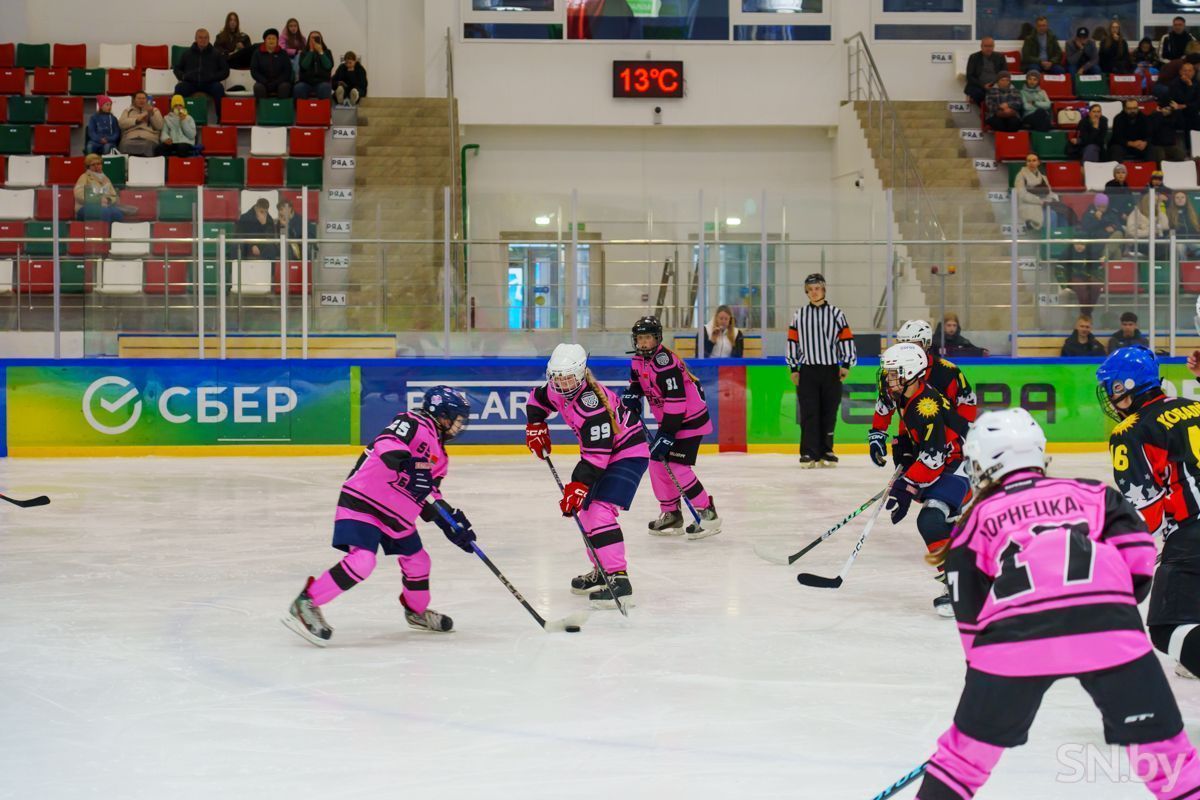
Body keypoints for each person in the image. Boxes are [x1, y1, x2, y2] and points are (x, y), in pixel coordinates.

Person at [912, 406, 1200, 800]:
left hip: (1013, 644)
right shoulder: (1094, 494)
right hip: (1109, 629)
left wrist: (984, 700)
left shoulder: (973, 523)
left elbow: (972, 622)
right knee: (1168, 761)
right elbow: (1139, 557)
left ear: (980, 464)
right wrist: (1112, 606)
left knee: (961, 764)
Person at [282, 386, 476, 645]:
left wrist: (449, 522)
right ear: (441, 413)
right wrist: (408, 464)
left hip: (397, 514)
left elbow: (428, 494)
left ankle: (416, 612)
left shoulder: (440, 457)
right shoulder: (413, 422)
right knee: (363, 561)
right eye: (457, 418)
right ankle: (306, 603)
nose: (460, 425)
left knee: (419, 561)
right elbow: (386, 444)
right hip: (365, 501)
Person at [525, 344, 648, 608]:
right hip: (603, 456)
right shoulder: (556, 390)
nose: (562, 383)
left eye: (568, 378)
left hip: (627, 453)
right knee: (587, 513)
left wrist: (577, 486)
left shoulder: (592, 405)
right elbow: (536, 400)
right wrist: (536, 425)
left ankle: (619, 580)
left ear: (581, 374)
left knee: (600, 511)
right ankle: (602, 570)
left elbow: (596, 456)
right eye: (556, 377)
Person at [1103, 346, 1200, 679]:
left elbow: (1149, 517)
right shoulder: (1194, 405)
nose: (1110, 395)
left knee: (1166, 627)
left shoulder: (1130, 430)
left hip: (1193, 534)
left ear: (1126, 386)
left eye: (1112, 387)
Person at [878, 342, 970, 617]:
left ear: (910, 373)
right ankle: (966, 576)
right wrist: (905, 448)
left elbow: (933, 458)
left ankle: (959, 587)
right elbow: (911, 432)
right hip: (950, 463)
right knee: (942, 524)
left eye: (894, 373)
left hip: (963, 465)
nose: (888, 378)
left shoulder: (925, 406)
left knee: (931, 520)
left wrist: (905, 486)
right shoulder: (907, 395)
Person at [621, 316, 722, 538]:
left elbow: (677, 402)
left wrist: (666, 435)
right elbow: (638, 383)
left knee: (677, 466)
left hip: (689, 420)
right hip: (670, 421)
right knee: (657, 463)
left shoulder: (665, 363)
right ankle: (671, 513)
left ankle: (708, 513)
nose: (643, 342)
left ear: (657, 338)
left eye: (648, 337)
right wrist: (632, 395)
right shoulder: (637, 360)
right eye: (640, 338)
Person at [869, 318, 977, 476]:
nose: (907, 349)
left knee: (942, 485)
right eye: (903, 343)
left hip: (942, 438)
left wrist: (959, 437)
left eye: (914, 344)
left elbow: (967, 402)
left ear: (926, 344)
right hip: (909, 436)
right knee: (907, 483)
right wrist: (877, 434)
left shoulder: (947, 371)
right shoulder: (891, 371)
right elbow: (885, 404)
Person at [786, 273, 856, 468]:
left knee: (829, 412)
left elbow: (846, 339)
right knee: (809, 413)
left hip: (831, 370)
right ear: (806, 292)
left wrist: (846, 364)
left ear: (823, 289)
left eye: (817, 288)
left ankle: (826, 450)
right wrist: (794, 367)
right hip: (808, 370)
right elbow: (792, 342)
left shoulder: (836, 314)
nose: (814, 292)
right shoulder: (799, 315)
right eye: (810, 289)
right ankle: (809, 452)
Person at [174, 28, 229, 118]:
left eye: (206, 37)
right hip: (191, 83)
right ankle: (180, 117)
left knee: (219, 88)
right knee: (179, 88)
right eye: (200, 37)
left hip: (210, 83)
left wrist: (214, 77)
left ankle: (221, 118)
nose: (203, 40)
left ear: (209, 39)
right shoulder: (187, 54)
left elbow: (225, 71)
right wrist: (183, 76)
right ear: (195, 39)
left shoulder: (216, 54)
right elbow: (177, 68)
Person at [1013, 153, 1057, 232]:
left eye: (1034, 160)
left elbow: (1050, 192)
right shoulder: (1020, 176)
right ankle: (1049, 237)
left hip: (1044, 203)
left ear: (1038, 162)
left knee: (1061, 213)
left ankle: (1059, 236)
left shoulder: (1043, 177)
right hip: (1028, 205)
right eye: (1029, 161)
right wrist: (1040, 201)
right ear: (1026, 163)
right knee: (1052, 214)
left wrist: (1052, 199)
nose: (1031, 163)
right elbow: (1022, 195)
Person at [73, 153, 123, 222]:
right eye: (93, 165)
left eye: (98, 164)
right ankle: (103, 229)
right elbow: (78, 194)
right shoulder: (84, 177)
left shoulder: (106, 179)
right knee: (104, 212)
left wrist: (108, 200)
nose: (96, 166)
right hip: (85, 207)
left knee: (117, 214)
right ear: (88, 167)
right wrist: (98, 201)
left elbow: (114, 195)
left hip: (105, 206)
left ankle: (110, 229)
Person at [1079, 193, 1124, 261]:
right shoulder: (1088, 214)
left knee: (1119, 234)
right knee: (1116, 251)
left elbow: (1119, 227)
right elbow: (1086, 229)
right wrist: (1098, 220)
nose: (1101, 209)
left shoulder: (1111, 212)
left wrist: (1113, 228)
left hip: (1110, 240)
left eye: (1104, 207)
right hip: (1097, 242)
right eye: (1098, 207)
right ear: (1095, 205)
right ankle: (1105, 258)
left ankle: (1105, 258)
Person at [117, 91, 163, 157]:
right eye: (139, 98)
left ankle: (147, 163)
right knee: (125, 145)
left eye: (143, 98)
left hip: (148, 138)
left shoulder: (154, 110)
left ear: (147, 100)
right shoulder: (128, 110)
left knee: (148, 146)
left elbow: (159, 126)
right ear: (134, 100)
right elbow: (121, 124)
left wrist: (152, 114)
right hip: (130, 138)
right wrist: (136, 120)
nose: (141, 100)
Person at [964, 36, 1007, 106]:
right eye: (986, 46)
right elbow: (969, 76)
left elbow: (1004, 74)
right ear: (981, 46)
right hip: (978, 86)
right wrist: (983, 85)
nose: (988, 48)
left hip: (996, 85)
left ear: (994, 46)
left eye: (990, 46)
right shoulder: (974, 57)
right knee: (977, 93)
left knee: (1005, 92)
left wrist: (995, 84)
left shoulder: (1000, 57)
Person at [251, 28, 293, 99]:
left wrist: (276, 82)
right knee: (258, 87)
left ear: (277, 40)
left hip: (280, 82)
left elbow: (287, 71)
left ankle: (281, 105)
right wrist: (265, 81)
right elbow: (254, 71)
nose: (271, 41)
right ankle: (263, 105)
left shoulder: (283, 53)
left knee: (285, 86)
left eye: (273, 38)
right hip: (263, 82)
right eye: (269, 38)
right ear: (265, 40)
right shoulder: (257, 53)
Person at [295, 30, 333, 100]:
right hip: (306, 82)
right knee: (298, 88)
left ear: (321, 40)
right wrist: (311, 51)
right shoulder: (304, 52)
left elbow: (328, 66)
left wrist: (321, 52)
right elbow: (304, 66)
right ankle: (301, 107)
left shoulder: (327, 52)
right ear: (309, 40)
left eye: (317, 38)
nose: (314, 40)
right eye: (312, 38)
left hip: (322, 82)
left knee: (325, 88)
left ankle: (323, 107)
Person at [1170, 60, 1200, 132]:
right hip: (1179, 110)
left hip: (1191, 108)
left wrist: (1186, 105)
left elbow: (1198, 101)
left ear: (1194, 72)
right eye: (1185, 71)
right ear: (1180, 72)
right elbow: (1183, 99)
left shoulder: (1196, 83)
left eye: (1190, 71)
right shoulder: (1175, 83)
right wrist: (1190, 86)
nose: (1187, 73)